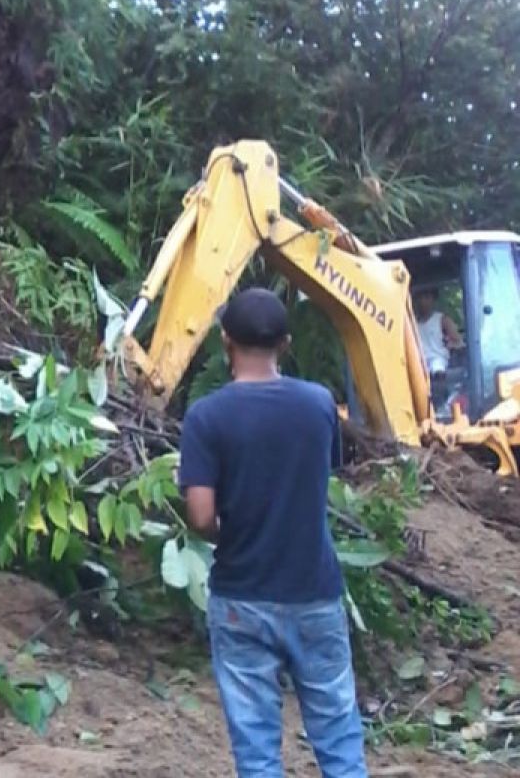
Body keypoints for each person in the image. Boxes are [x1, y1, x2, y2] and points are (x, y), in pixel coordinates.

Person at [179, 288, 367, 778]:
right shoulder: (319, 404)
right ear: (284, 343)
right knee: (339, 740)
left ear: (226, 341)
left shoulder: (205, 417)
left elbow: (200, 517)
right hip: (315, 593)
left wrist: (235, 532)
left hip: (241, 598)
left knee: (257, 751)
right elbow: (316, 481)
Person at [413, 288, 463, 380]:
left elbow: (459, 342)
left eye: (427, 297)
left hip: (437, 359)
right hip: (419, 362)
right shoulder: (413, 323)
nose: (423, 301)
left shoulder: (442, 320)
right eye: (420, 298)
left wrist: (450, 345)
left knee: (438, 372)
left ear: (433, 300)